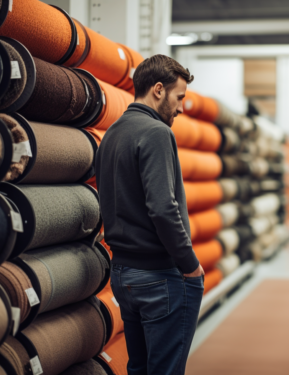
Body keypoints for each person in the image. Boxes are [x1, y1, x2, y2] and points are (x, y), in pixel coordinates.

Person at [95, 54, 204, 375]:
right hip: (160, 276)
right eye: (179, 97)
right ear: (158, 89)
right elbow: (162, 207)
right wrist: (190, 265)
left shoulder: (112, 133)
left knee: (140, 368)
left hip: (124, 274)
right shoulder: (156, 133)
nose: (181, 107)